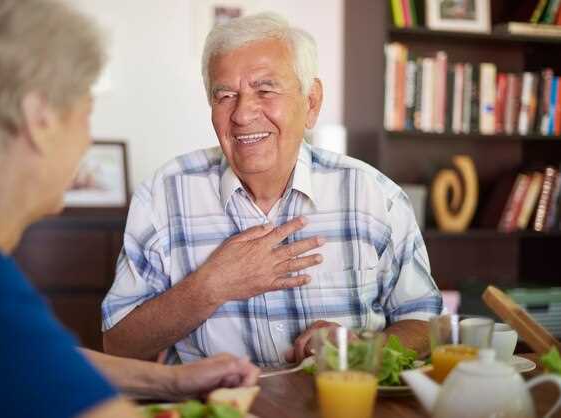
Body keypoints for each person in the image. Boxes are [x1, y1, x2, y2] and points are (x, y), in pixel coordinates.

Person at [0, 1, 259, 418]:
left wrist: (170, 381)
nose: (88, 143)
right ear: (40, 120)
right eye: (87, 114)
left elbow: (38, 359)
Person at [102, 12, 443, 368]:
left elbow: (427, 323)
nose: (243, 114)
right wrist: (210, 287)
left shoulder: (374, 196)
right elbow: (118, 344)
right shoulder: (162, 195)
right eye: (225, 96)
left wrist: (361, 348)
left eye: (265, 90)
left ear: (311, 103)